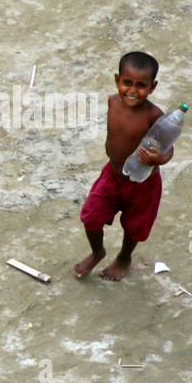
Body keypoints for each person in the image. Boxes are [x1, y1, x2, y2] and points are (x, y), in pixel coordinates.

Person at [74, 51, 168, 282]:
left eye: (141, 85)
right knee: (91, 216)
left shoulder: (154, 115)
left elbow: (168, 147)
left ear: (152, 87)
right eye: (127, 83)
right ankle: (98, 252)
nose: (133, 90)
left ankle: (125, 257)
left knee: (135, 226)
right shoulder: (112, 102)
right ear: (117, 80)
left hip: (142, 183)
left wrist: (159, 159)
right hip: (112, 175)